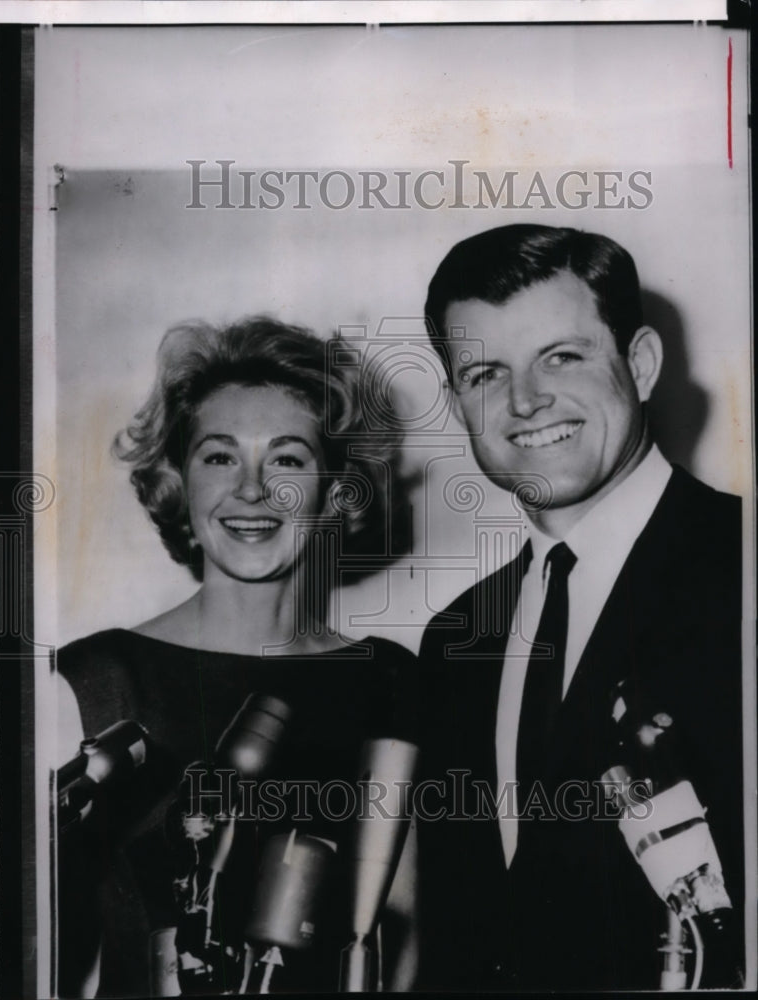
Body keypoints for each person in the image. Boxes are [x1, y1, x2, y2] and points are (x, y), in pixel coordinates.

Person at [416, 225, 744, 991]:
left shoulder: (747, 567)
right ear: (456, 401)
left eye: (561, 356)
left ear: (641, 363)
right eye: (485, 373)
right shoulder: (454, 640)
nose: (525, 401)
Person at [55, 317, 417, 997]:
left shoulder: (390, 678)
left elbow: (404, 942)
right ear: (177, 483)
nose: (251, 490)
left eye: (286, 458)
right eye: (219, 456)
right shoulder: (93, 679)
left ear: (333, 490)